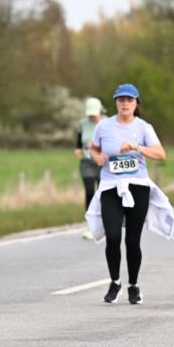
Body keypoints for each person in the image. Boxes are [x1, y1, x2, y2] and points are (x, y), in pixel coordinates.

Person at [86, 84, 174, 305]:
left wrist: (137, 148)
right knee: (113, 236)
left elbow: (161, 154)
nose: (125, 103)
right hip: (110, 186)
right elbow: (93, 147)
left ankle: (133, 286)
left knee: (133, 240)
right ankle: (115, 282)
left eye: (129, 100)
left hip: (137, 186)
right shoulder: (104, 126)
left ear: (136, 103)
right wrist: (96, 157)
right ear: (115, 102)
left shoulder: (144, 127)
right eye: (121, 100)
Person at [75, 97, 104, 240]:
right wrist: (77, 149)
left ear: (100, 110)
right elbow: (79, 141)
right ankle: (91, 225)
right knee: (89, 191)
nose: (92, 116)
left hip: (103, 163)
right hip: (87, 162)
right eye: (90, 114)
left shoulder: (107, 123)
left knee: (102, 193)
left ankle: (104, 223)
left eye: (94, 113)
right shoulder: (82, 123)